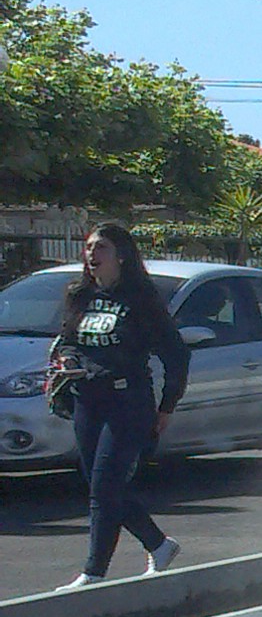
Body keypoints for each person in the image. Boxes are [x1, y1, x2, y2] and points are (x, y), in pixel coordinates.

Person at [52, 223, 188, 589]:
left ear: (122, 255)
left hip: (127, 402)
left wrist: (167, 406)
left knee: (105, 486)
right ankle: (159, 544)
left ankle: (94, 572)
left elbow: (176, 353)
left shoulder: (141, 299)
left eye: (102, 248)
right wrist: (67, 361)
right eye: (90, 247)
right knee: (100, 484)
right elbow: (68, 341)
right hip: (87, 400)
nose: (92, 254)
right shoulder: (79, 295)